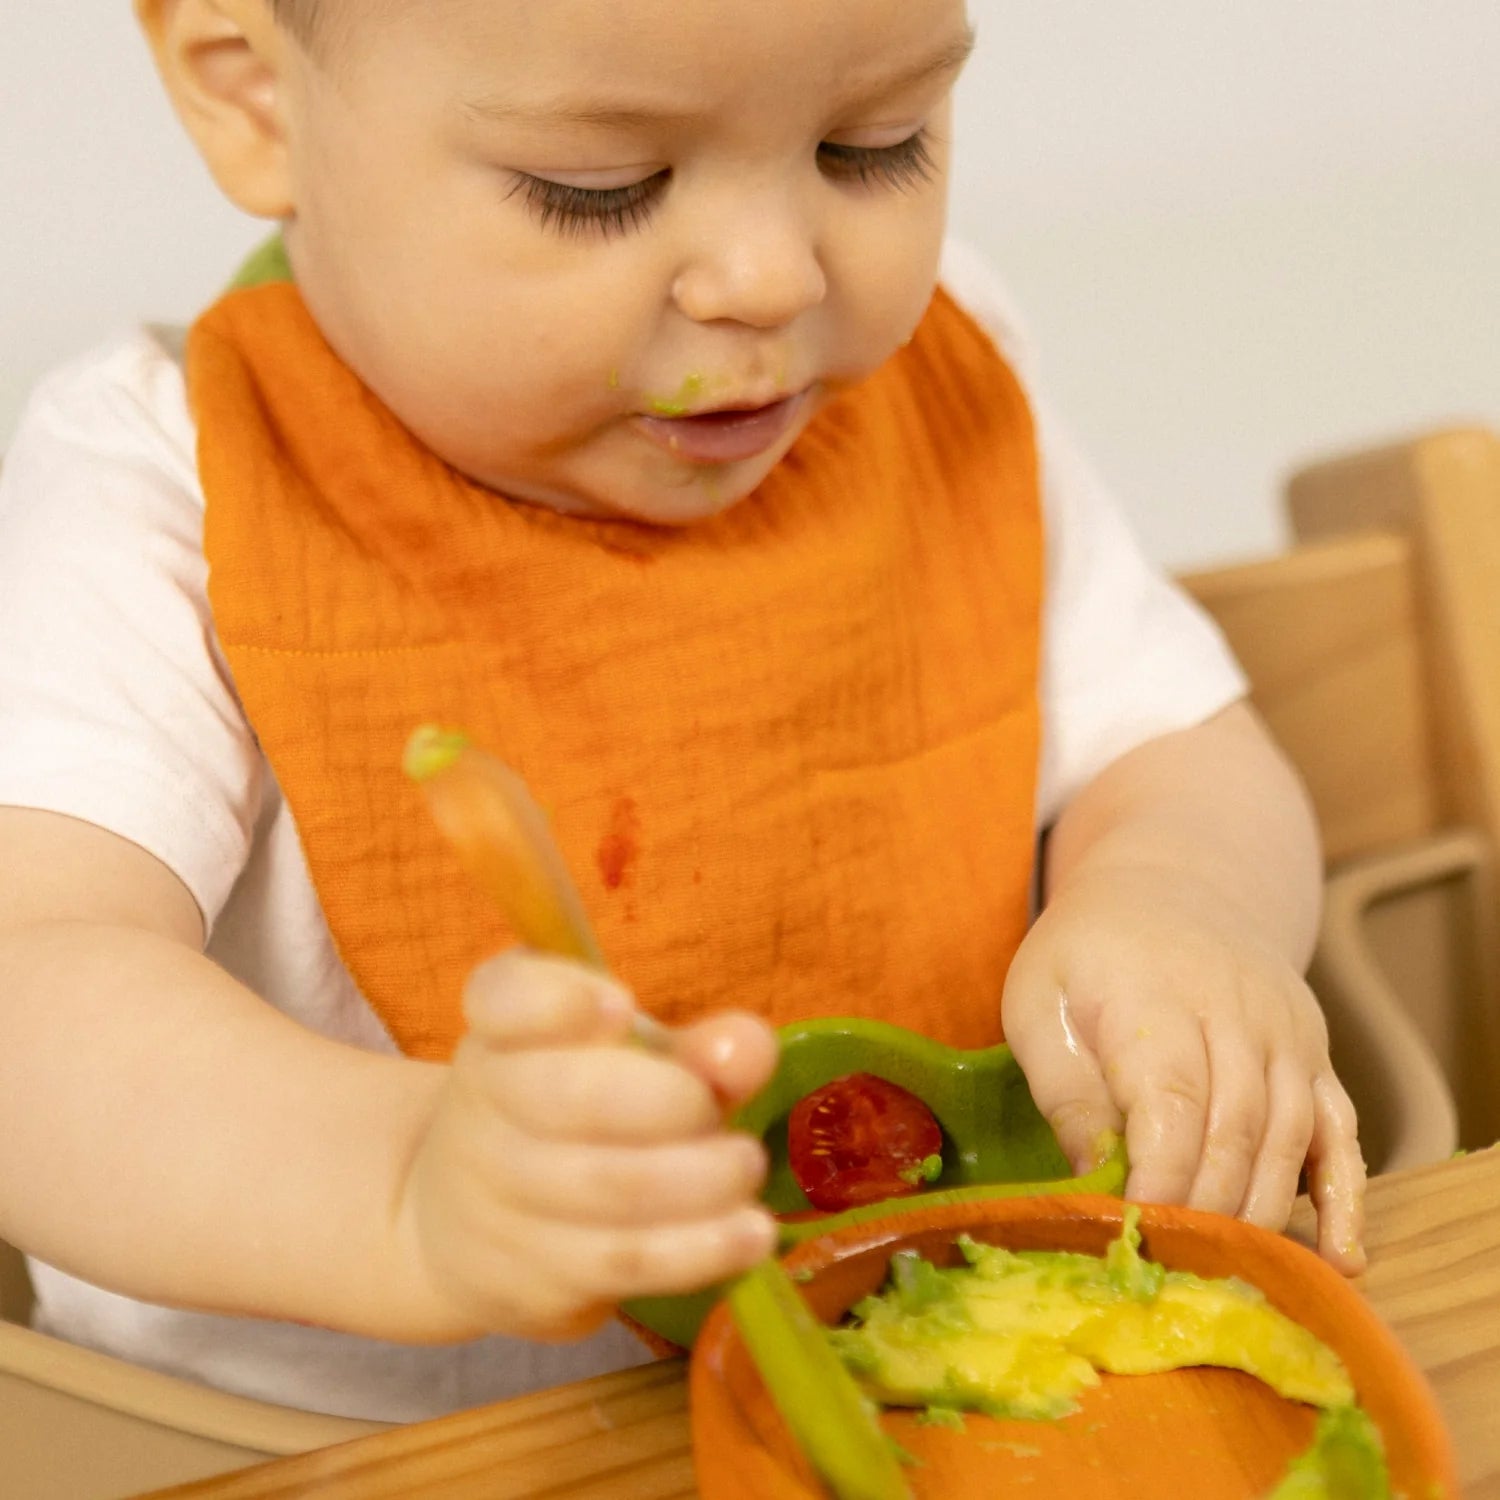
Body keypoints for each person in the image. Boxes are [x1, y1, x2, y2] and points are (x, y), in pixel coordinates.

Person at [0, 0, 1365, 1423]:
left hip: (947, 1398)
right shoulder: (167, 485)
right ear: (255, 97)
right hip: (346, 1453)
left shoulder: (943, 381)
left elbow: (1175, 744)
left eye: (870, 147)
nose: (769, 278)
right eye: (602, 191)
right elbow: (30, 985)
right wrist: (402, 1184)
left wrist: (1180, 902)